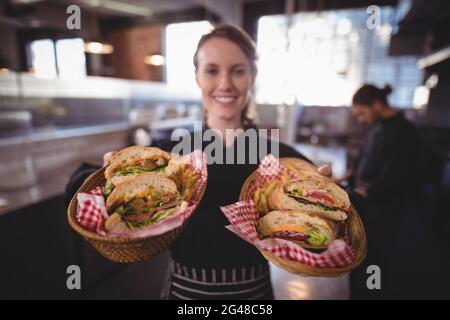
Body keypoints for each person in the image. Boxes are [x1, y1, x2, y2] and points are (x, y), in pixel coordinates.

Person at [65, 24, 331, 300]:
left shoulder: (282, 160)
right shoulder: (170, 157)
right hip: (184, 293)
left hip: (255, 295)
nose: (225, 83)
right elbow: (80, 187)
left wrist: (324, 201)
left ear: (252, 76)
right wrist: (102, 175)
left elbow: (321, 244)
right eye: (212, 70)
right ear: (197, 76)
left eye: (238, 70)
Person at [346, 84, 422, 298]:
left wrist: (365, 192)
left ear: (377, 105)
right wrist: (348, 176)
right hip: (364, 208)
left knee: (375, 261)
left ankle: (372, 294)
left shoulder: (405, 132)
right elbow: (365, 161)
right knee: (359, 257)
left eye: (362, 113)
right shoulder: (377, 127)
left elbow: (399, 177)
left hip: (383, 212)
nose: (360, 119)